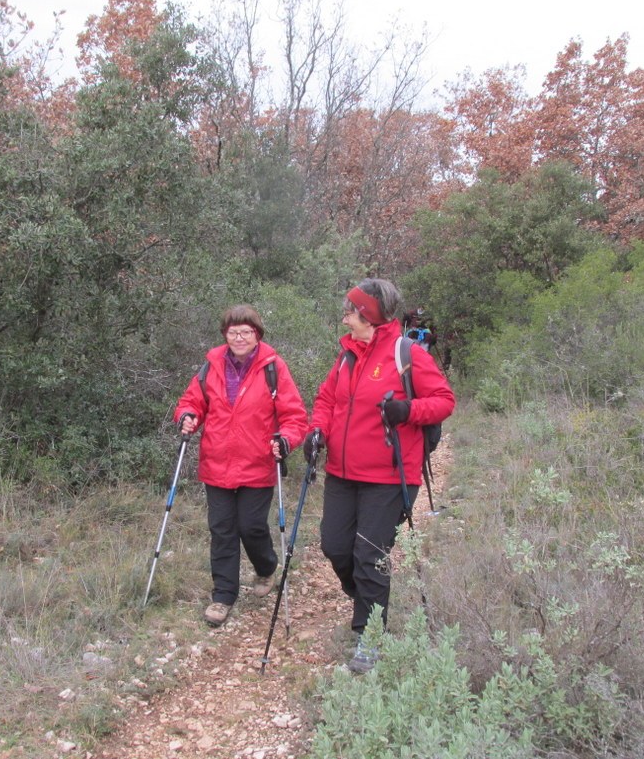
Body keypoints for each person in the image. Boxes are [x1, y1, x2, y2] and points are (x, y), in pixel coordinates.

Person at [305, 279, 455, 672]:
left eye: (351, 310)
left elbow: (443, 401)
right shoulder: (346, 354)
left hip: (389, 476)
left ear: (368, 316)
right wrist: (317, 429)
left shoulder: (406, 354)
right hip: (341, 470)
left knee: (369, 556)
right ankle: (367, 603)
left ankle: (370, 636)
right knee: (335, 548)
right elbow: (325, 399)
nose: (345, 315)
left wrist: (407, 412)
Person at [174, 305, 308, 627]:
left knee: (251, 527)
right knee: (222, 530)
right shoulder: (212, 365)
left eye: (246, 332)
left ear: (257, 334)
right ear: (225, 334)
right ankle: (223, 595)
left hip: (257, 463)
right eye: (233, 332)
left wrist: (286, 440)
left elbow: (294, 416)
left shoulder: (273, 368)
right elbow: (192, 401)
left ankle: (266, 568)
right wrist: (188, 417)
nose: (239, 337)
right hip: (217, 464)